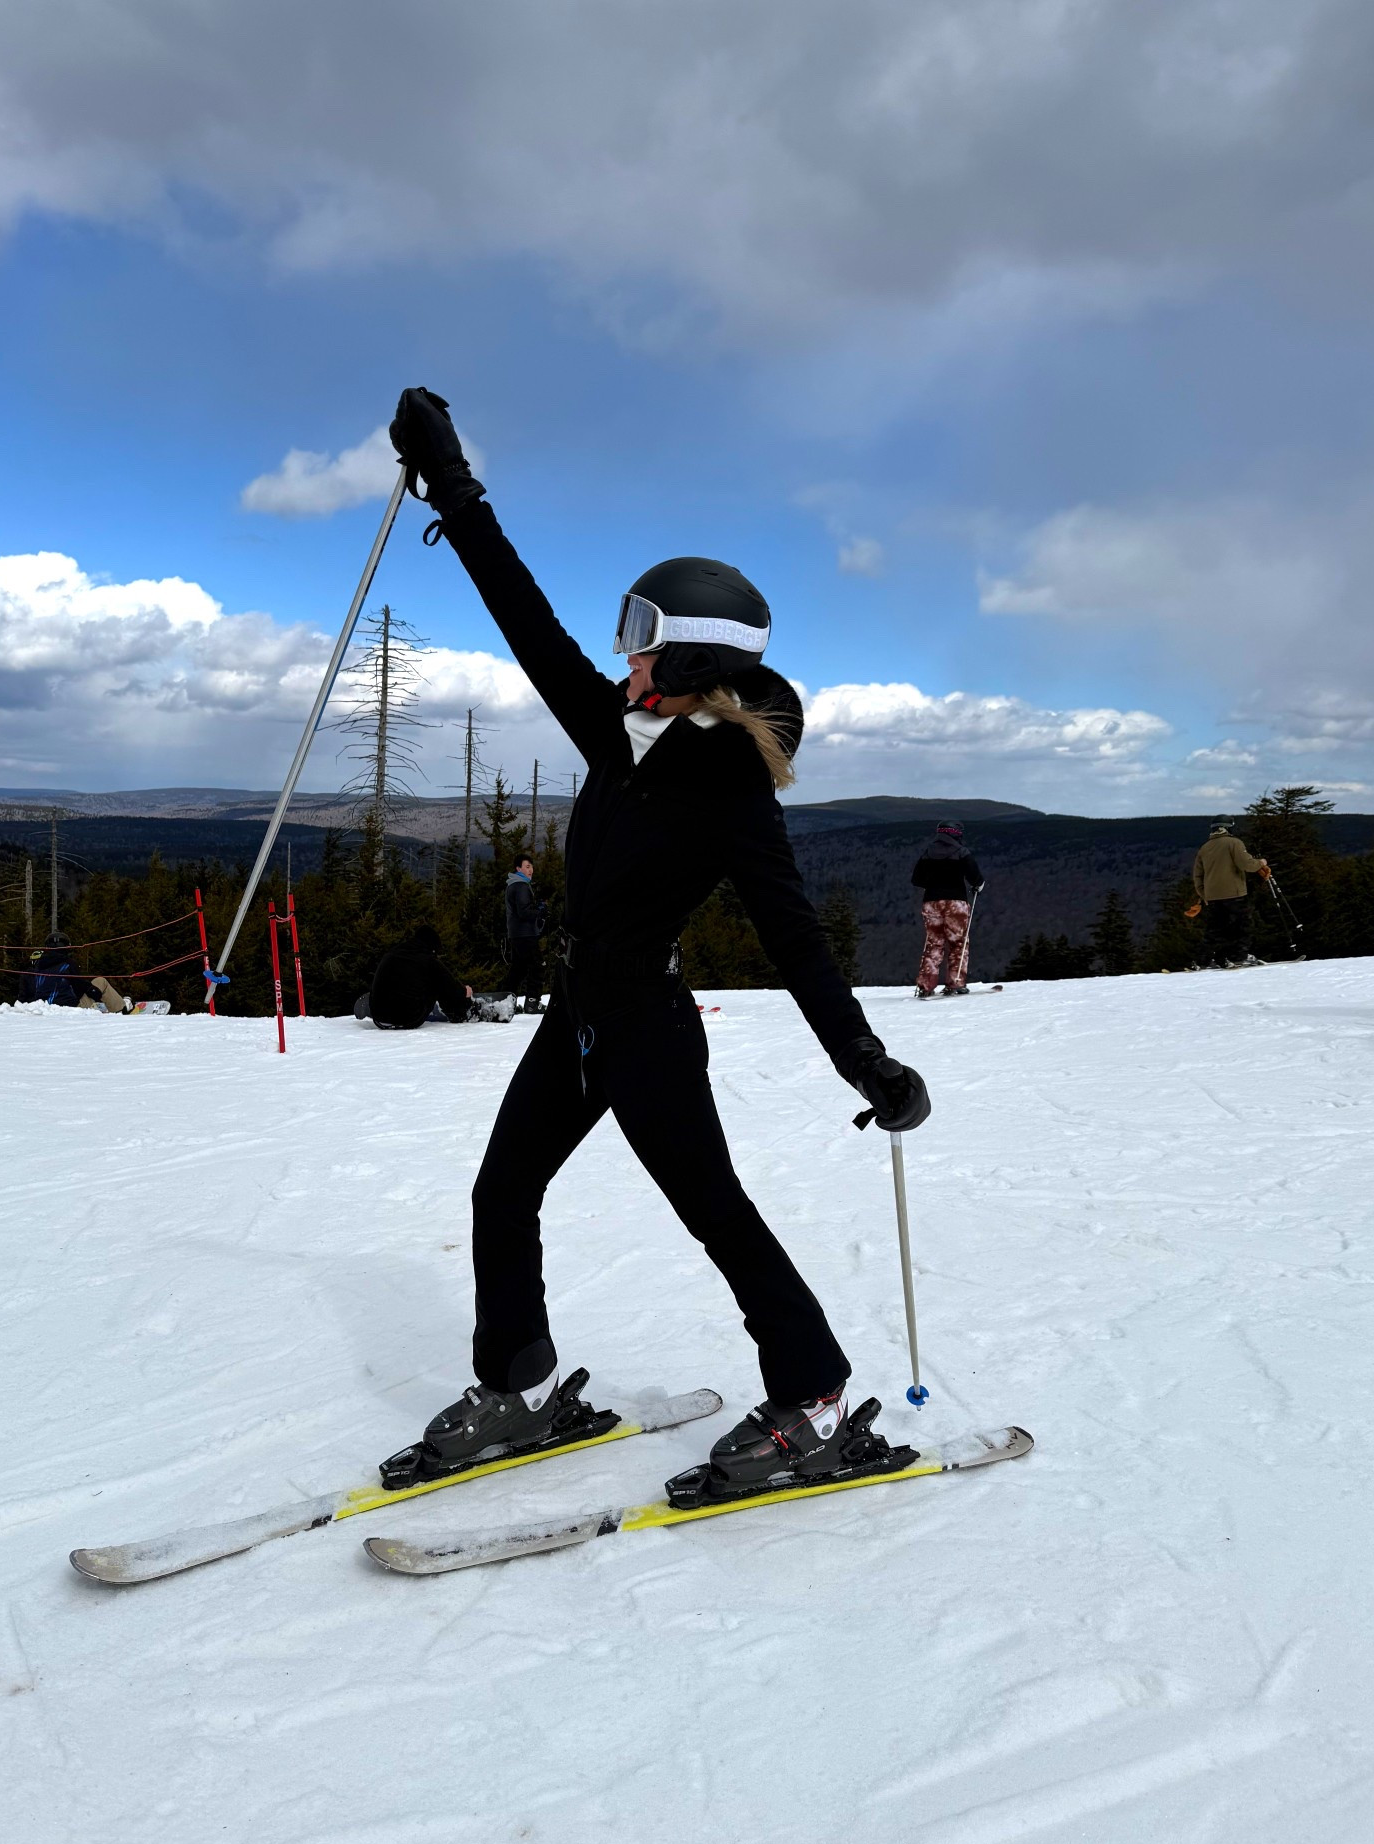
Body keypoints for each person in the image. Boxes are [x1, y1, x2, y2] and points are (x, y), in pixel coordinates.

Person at [382, 386, 930, 1504]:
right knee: (502, 1192)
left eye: (639, 637)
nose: (616, 651)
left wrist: (866, 1059)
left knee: (713, 1210)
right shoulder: (617, 728)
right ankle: (520, 1383)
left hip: (646, 1028)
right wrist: (455, 486)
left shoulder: (729, 786)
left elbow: (796, 937)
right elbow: (522, 614)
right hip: (579, 1012)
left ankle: (815, 1395)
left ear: (687, 662)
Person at [354, 926, 514, 1029]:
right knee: (437, 984)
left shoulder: (391, 955)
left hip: (379, 1016)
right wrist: (465, 992)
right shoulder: (428, 960)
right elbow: (451, 988)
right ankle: (468, 1012)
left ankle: (389, 1001)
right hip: (408, 1018)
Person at [910, 823, 984, 996]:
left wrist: (933, 883)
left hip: (931, 901)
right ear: (956, 834)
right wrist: (977, 886)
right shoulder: (961, 851)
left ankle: (925, 985)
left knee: (933, 942)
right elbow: (976, 878)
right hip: (956, 902)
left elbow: (916, 879)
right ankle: (955, 983)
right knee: (958, 943)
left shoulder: (928, 853)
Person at [1192, 820, 1268, 968]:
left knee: (1215, 930)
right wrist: (1261, 863)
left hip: (1212, 896)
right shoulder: (1234, 843)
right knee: (1242, 926)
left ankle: (1203, 961)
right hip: (1234, 893)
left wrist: (1205, 895)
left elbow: (1197, 876)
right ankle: (1239, 957)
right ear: (1227, 828)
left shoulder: (1204, 848)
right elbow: (1246, 864)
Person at [505, 855, 546, 1014]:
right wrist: (539, 911)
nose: (531, 870)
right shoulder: (521, 885)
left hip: (516, 934)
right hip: (525, 934)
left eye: (531, 866)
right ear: (518, 868)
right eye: (527, 866)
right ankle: (532, 1002)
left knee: (518, 968)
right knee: (537, 965)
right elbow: (524, 912)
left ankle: (506, 1001)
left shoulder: (513, 885)